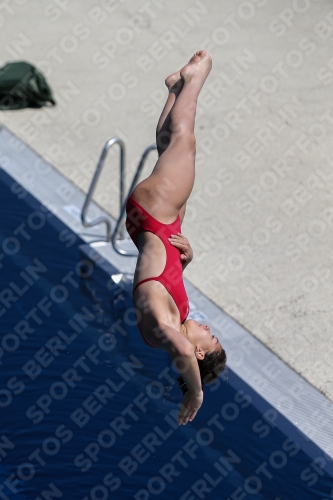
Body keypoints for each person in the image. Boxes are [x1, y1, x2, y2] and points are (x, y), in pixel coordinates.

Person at [125, 50, 227, 426]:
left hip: (154, 215)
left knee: (184, 140)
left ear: (198, 355)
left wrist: (195, 393)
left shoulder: (163, 331)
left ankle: (195, 77)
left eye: (211, 339)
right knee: (173, 148)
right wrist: (185, 260)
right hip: (156, 225)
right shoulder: (175, 317)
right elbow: (164, 277)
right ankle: (175, 89)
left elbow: (180, 345)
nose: (208, 330)